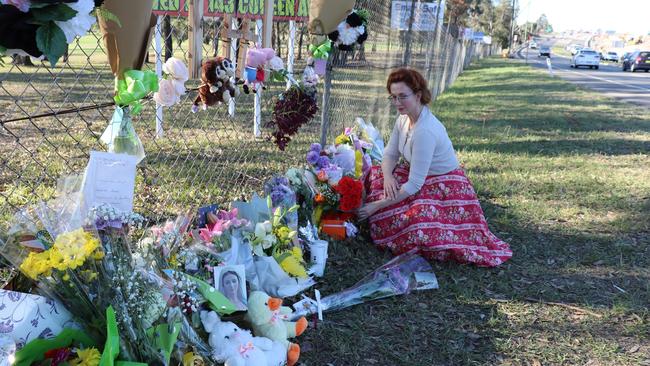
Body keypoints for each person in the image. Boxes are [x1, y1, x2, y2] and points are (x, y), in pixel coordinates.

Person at [357, 68, 512, 267]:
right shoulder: (403, 119)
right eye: (393, 97)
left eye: (402, 97)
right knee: (376, 177)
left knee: (415, 224)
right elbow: (390, 154)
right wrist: (388, 176)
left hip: (444, 186)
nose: (397, 103)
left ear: (418, 95)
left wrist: (375, 206)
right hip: (418, 176)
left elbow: (414, 184)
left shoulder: (425, 131)